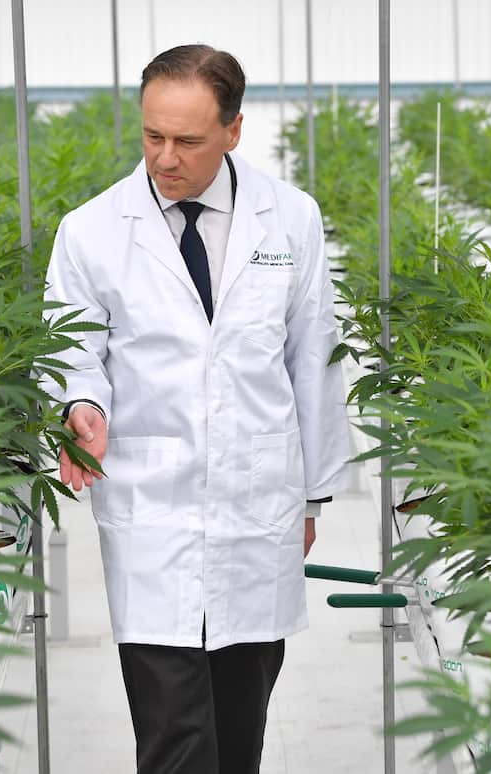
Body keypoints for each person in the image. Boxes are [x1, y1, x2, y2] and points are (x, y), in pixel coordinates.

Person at [43, 44, 349, 774]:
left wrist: (312, 494)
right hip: (153, 514)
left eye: (188, 140)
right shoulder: (90, 231)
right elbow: (72, 350)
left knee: (239, 734)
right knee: (176, 739)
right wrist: (80, 404)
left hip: (258, 505)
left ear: (234, 130)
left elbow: (313, 359)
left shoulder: (291, 220)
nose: (164, 158)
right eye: (152, 136)